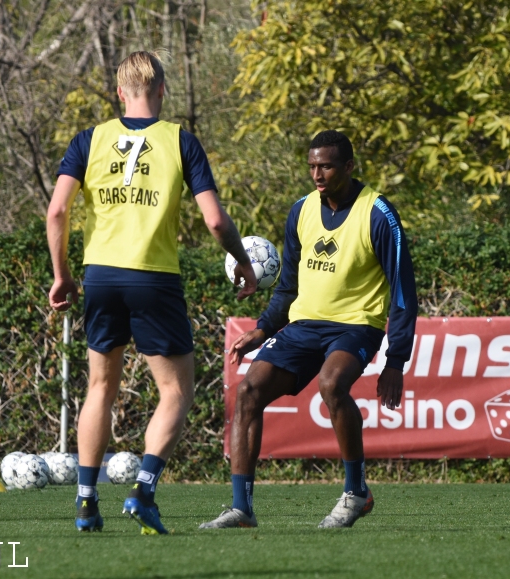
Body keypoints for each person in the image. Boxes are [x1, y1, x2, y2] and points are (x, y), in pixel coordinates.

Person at [47, 51, 257, 535]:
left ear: (119, 93)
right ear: (162, 89)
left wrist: (63, 275)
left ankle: (85, 501)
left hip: (99, 275)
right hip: (153, 276)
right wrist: (243, 261)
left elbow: (57, 212)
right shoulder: (180, 140)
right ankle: (143, 489)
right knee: (176, 390)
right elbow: (215, 220)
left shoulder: (90, 139)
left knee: (100, 387)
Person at [200, 130, 418, 530]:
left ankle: (356, 493)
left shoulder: (378, 213)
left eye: (327, 165)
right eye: (313, 166)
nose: (317, 174)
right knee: (248, 391)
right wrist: (263, 328)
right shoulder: (300, 211)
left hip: (355, 326)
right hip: (303, 326)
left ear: (349, 167)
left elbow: (404, 292)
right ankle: (241, 508)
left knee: (332, 384)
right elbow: (288, 287)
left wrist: (395, 361)